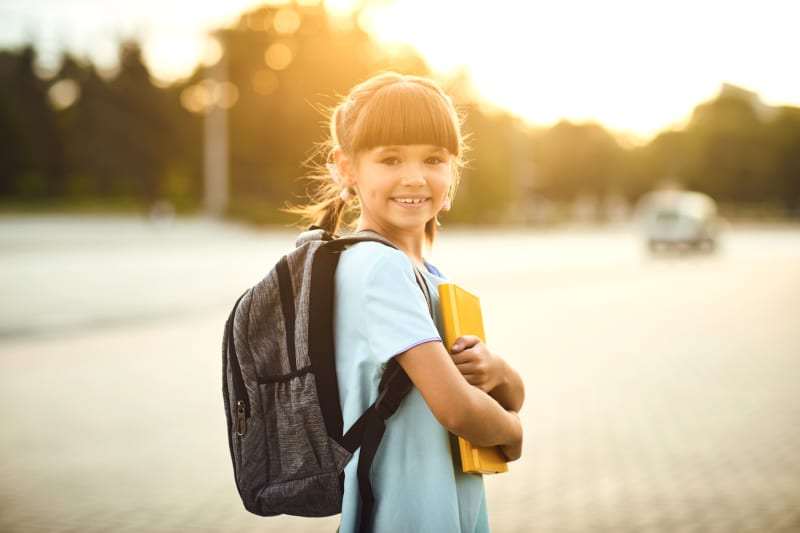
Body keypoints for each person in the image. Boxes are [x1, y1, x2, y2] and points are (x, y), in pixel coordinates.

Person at [289, 72, 525, 533]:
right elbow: (457, 409)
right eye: (391, 159)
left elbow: (505, 394)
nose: (414, 177)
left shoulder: (428, 275)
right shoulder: (380, 269)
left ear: (453, 170)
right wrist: (514, 433)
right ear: (347, 168)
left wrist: (498, 371)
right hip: (408, 511)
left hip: (444, 502)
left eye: (433, 159)